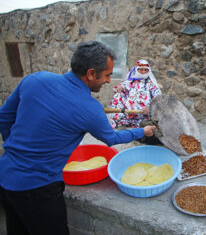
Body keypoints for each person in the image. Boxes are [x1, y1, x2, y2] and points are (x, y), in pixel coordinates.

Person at [0, 41, 156, 235]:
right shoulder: (90, 108)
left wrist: (14, 150)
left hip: (5, 176)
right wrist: (142, 131)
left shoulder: (35, 79)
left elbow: (4, 117)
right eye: (107, 75)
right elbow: (111, 138)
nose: (108, 81)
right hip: (39, 189)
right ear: (91, 74)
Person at [109, 59, 161, 129]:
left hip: (143, 113)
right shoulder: (131, 81)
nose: (143, 72)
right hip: (128, 112)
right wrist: (120, 88)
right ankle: (120, 121)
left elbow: (158, 97)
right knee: (118, 95)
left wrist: (150, 108)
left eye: (145, 70)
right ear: (137, 70)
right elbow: (121, 87)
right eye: (141, 70)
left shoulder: (151, 84)